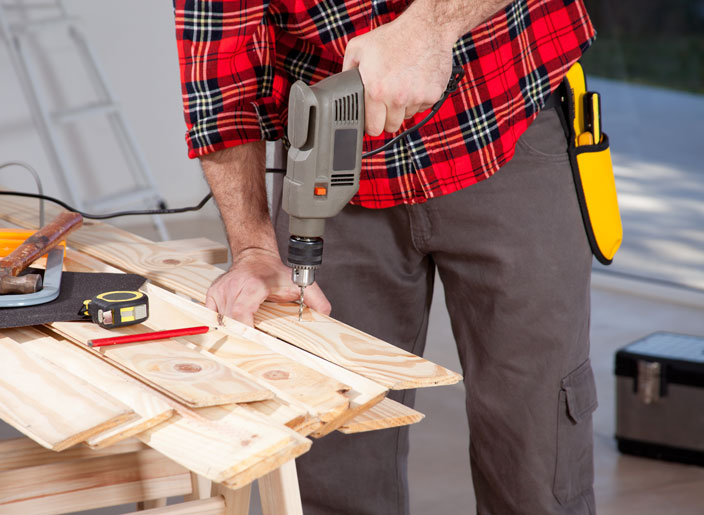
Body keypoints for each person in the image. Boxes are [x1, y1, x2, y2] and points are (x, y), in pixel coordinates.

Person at [174, 0, 598, 513]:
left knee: (537, 452)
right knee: (330, 446)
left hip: (501, 121)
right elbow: (221, 78)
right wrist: (255, 248)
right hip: (336, 165)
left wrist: (428, 26)